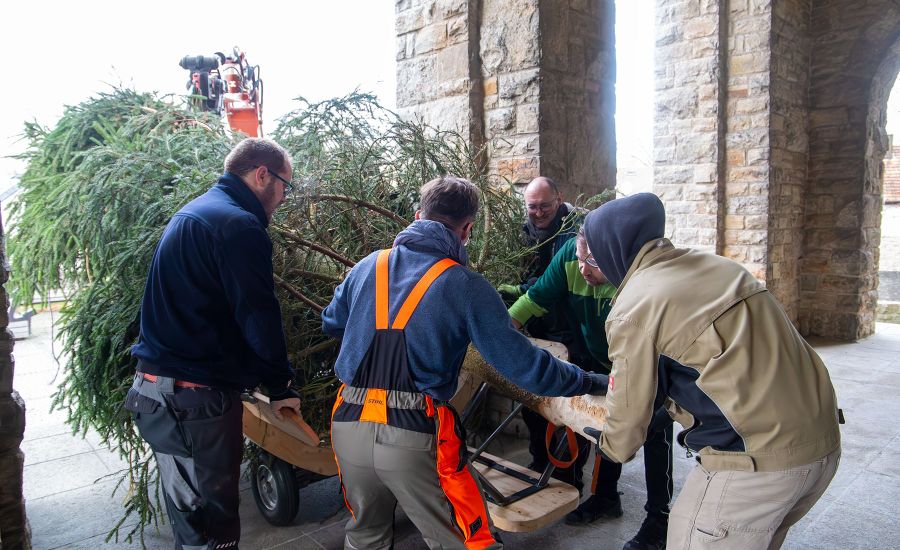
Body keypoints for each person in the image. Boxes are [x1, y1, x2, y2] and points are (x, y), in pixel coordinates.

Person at [321, 175, 608, 550]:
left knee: (365, 536)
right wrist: (588, 381)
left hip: (347, 424)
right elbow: (525, 367)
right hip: (414, 431)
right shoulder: (466, 285)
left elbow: (331, 322)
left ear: (417, 214)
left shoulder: (368, 265)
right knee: (467, 540)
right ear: (467, 229)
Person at [583, 193, 842, 550]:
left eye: (594, 256)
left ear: (614, 250)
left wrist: (607, 441)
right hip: (820, 446)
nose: (591, 266)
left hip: (758, 465)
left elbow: (627, 422)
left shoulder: (635, 305)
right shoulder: (718, 267)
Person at [126, 138, 301, 550]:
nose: (282, 198)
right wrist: (279, 386)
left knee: (190, 522)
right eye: (284, 186)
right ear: (262, 175)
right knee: (214, 532)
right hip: (192, 403)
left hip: (154, 394)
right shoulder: (238, 225)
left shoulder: (194, 212)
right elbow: (258, 315)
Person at [509, 227, 673, 549]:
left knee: (654, 433)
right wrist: (502, 332)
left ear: (617, 256)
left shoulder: (643, 275)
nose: (584, 269)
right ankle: (606, 497)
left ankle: (659, 518)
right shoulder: (571, 255)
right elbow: (535, 299)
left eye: (593, 262)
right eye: (580, 258)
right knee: (601, 427)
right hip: (601, 357)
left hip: (648, 362)